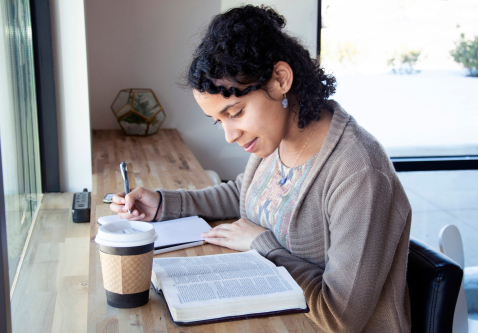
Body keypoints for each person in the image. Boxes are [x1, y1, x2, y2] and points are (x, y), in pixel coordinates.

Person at [110, 5, 411, 332]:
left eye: (235, 112)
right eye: (219, 120)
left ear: (280, 80)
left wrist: (262, 246)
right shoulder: (279, 136)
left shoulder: (358, 173)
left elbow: (341, 316)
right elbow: (250, 192)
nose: (229, 135)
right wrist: (165, 204)